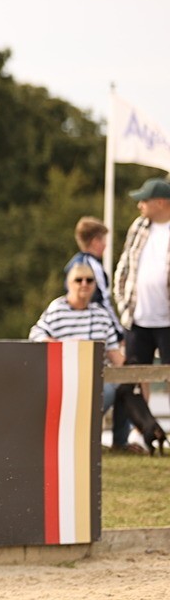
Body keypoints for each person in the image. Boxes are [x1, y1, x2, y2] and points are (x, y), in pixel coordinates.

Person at [112, 176, 170, 451]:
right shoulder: (139, 227)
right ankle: (148, 431)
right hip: (138, 321)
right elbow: (124, 266)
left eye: (144, 200)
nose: (139, 206)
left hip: (167, 323)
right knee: (130, 383)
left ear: (161, 202)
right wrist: (124, 305)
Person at [29, 262, 125, 417]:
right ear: (69, 283)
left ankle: (120, 440)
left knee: (123, 388)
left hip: (97, 378)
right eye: (79, 280)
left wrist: (134, 374)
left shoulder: (101, 314)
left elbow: (114, 352)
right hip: (65, 376)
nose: (84, 284)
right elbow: (35, 334)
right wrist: (65, 346)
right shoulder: (57, 309)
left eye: (89, 280)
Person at [64, 217, 123, 336]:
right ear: (96, 241)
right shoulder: (92, 266)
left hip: (73, 326)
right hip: (93, 328)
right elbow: (103, 300)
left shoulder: (72, 264)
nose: (106, 245)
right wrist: (118, 333)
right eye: (104, 240)